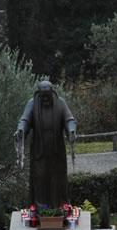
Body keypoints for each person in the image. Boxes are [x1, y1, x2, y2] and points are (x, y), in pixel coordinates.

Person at [15, 80, 76, 210]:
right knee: (40, 177)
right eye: (43, 96)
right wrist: (21, 130)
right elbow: (24, 120)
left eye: (48, 95)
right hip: (39, 151)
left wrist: (71, 130)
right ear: (38, 94)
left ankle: (59, 206)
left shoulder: (60, 103)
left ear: (52, 92)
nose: (45, 98)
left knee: (57, 178)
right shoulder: (32, 104)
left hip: (57, 151)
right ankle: (41, 207)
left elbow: (69, 119)